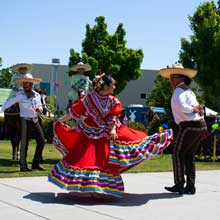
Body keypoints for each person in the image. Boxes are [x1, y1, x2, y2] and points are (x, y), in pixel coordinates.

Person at [48, 74, 173, 198]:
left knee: (109, 158)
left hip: (108, 132)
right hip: (90, 134)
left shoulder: (113, 100)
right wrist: (60, 120)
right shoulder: (88, 99)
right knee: (88, 161)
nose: (114, 86)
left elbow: (113, 117)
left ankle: (99, 188)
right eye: (112, 84)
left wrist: (112, 130)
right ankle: (90, 188)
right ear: (105, 86)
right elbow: (73, 112)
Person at [160, 63, 207, 195]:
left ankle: (179, 184)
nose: (170, 80)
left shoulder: (179, 91)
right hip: (199, 125)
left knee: (177, 153)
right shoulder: (188, 90)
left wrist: (193, 109)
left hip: (189, 126)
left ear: (179, 78)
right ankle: (190, 186)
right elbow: (196, 106)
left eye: (172, 77)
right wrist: (197, 108)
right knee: (188, 155)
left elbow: (183, 107)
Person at [1, 73, 45, 172]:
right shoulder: (20, 95)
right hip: (25, 121)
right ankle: (23, 166)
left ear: (31, 84)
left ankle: (35, 164)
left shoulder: (37, 95)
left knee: (41, 141)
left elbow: (40, 107)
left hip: (35, 120)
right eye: (24, 83)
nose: (25, 85)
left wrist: (40, 110)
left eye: (27, 83)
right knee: (24, 144)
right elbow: (8, 103)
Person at [4, 63, 33, 160]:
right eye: (21, 69)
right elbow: (11, 84)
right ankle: (7, 115)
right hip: (16, 93)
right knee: (9, 103)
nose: (23, 70)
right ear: (19, 69)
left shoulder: (29, 76)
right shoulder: (14, 76)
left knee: (33, 105)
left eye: (24, 69)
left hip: (26, 94)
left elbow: (31, 86)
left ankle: (34, 120)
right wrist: (15, 88)